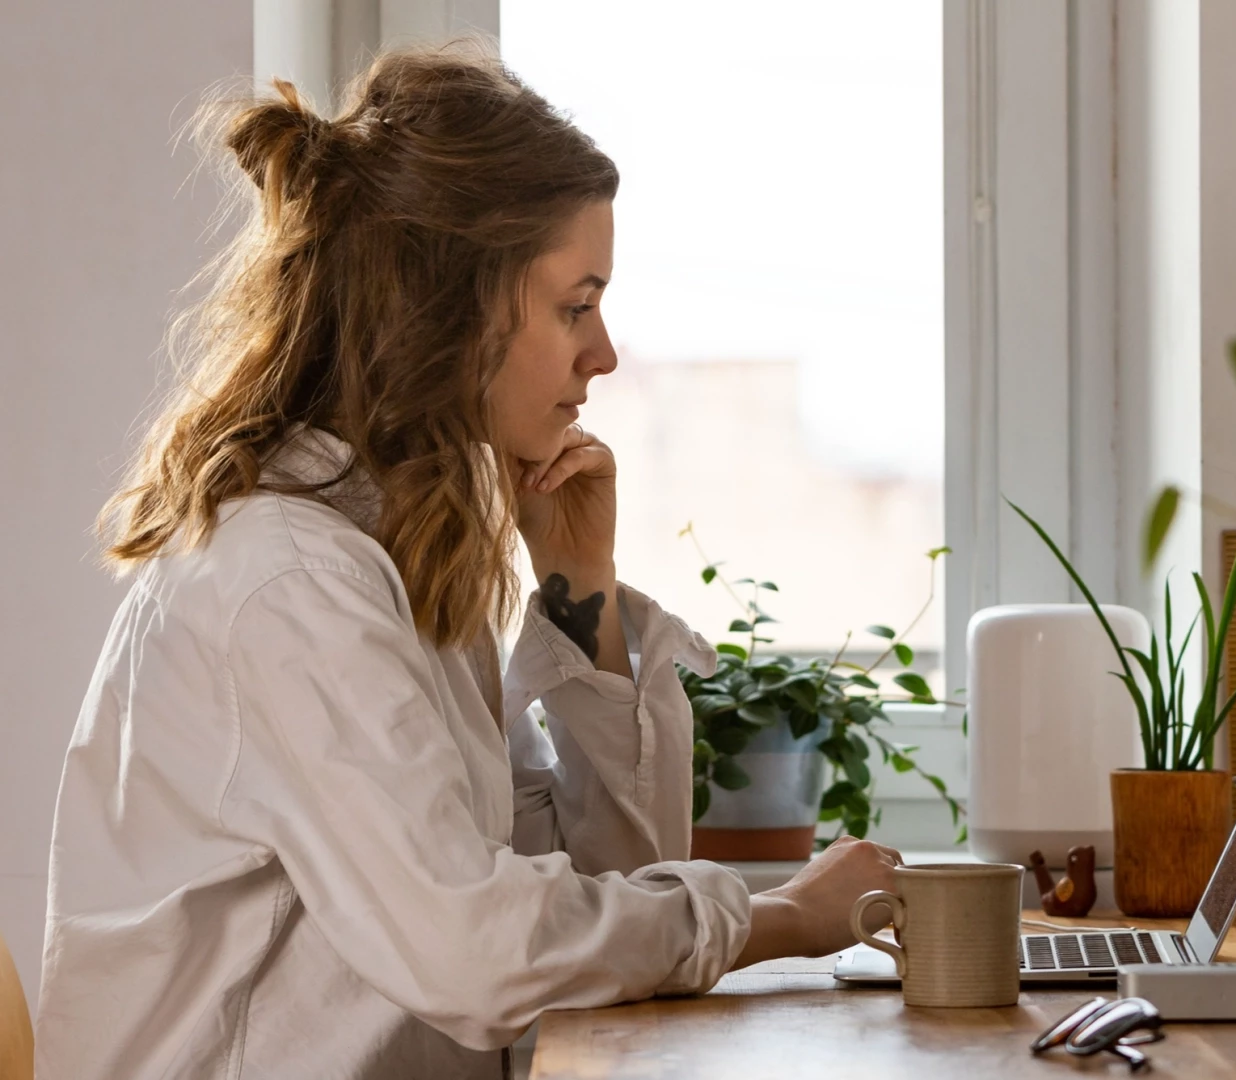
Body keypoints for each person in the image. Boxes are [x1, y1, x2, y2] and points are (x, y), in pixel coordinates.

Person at [35, 43, 899, 1080]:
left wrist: (578, 583)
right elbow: (481, 954)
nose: (606, 353)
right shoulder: (291, 582)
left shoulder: (397, 559)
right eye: (575, 305)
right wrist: (782, 917)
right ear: (452, 311)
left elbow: (609, 885)